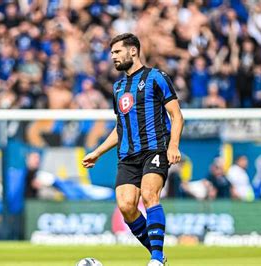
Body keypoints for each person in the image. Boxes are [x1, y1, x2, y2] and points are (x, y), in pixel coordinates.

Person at [82, 33, 184, 266]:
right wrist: (97, 152)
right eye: (112, 54)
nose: (113, 57)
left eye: (117, 52)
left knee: (149, 196)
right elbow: (121, 128)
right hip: (127, 155)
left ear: (133, 51)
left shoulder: (156, 77)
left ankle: (156, 260)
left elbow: (176, 116)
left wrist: (173, 145)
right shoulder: (118, 87)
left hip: (155, 149)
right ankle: (157, 253)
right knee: (126, 206)